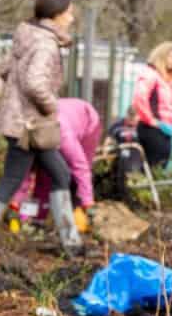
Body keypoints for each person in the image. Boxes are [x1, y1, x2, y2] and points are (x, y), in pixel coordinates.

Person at [0, 0, 82, 255]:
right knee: (17, 179)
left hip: (20, 122)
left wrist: (17, 101)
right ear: (56, 14)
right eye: (69, 12)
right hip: (30, 127)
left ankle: (71, 243)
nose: (72, 17)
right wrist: (51, 106)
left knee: (57, 174)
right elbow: (33, 83)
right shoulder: (45, 43)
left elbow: (6, 70)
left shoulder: (27, 36)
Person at [9, 98, 102, 233]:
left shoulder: (65, 136)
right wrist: (16, 203)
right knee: (45, 172)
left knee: (71, 174)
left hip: (87, 122)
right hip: (52, 125)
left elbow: (81, 167)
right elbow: (26, 173)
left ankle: (74, 212)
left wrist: (87, 202)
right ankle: (38, 219)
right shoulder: (28, 135)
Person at [132, 41, 172, 169]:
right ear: (162, 56)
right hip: (152, 129)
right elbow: (139, 98)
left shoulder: (167, 79)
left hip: (163, 129)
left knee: (160, 166)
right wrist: (151, 120)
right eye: (171, 56)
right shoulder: (151, 74)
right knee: (154, 167)